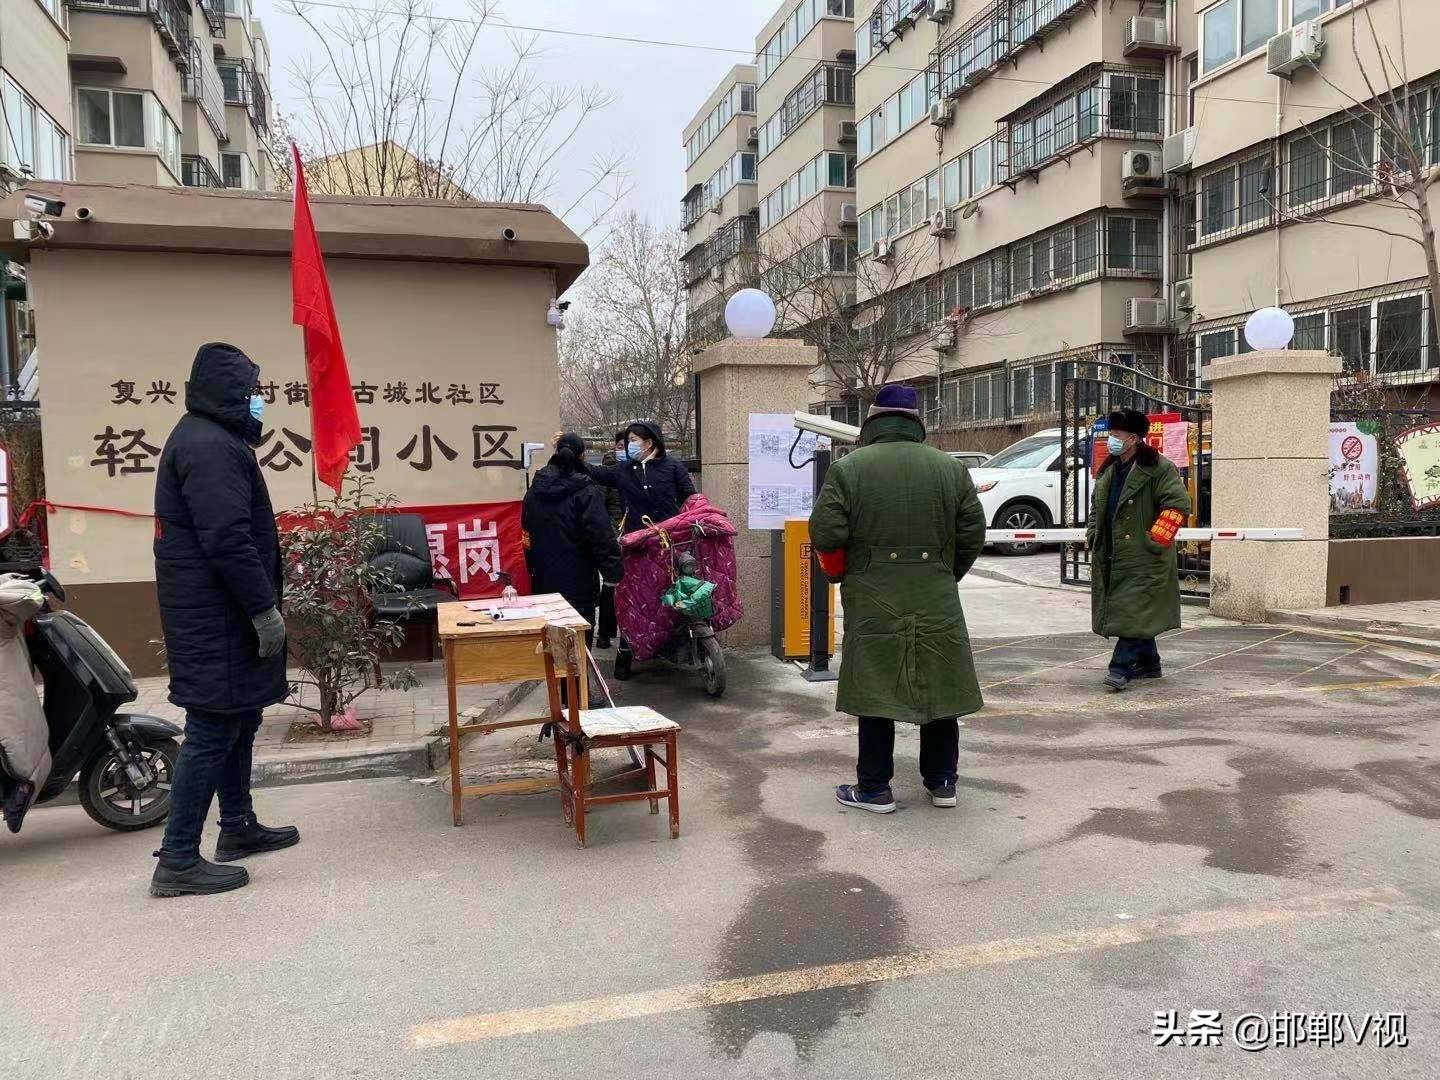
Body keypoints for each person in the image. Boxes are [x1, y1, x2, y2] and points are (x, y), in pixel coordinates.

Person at [150, 343, 298, 898]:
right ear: (231, 393)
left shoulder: (212, 439)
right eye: (253, 391)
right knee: (212, 728)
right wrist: (263, 609)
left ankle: (236, 828)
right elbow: (228, 539)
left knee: (239, 719)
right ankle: (178, 859)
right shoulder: (208, 445)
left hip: (218, 613)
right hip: (218, 617)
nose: (260, 401)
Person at [809, 384, 987, 814]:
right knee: (940, 684)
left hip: (872, 593)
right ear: (915, 422)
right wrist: (944, 573)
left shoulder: (849, 469)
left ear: (872, 420)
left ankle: (874, 788)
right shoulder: (950, 469)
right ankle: (942, 782)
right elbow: (972, 534)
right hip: (935, 591)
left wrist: (841, 574)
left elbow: (826, 532)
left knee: (875, 686)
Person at [1086, 408, 1191, 692]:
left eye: (1117, 435)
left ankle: (1120, 667)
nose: (1112, 439)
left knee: (1134, 608)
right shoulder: (1109, 467)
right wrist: (1094, 533)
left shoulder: (1158, 467)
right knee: (1134, 609)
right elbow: (1097, 508)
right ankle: (1149, 662)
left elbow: (1178, 505)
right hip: (1112, 552)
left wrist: (1155, 540)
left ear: (1133, 438)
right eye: (1111, 434)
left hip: (1144, 555)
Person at [522, 432, 624, 645]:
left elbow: (526, 536)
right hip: (580, 582)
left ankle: (558, 679)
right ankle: (577, 679)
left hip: (544, 580)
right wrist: (613, 574)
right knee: (577, 648)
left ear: (556, 453)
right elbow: (601, 537)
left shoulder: (534, 491)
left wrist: (533, 568)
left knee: (553, 644)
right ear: (582, 456)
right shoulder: (586, 491)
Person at [588, 421, 696, 527]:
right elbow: (595, 472)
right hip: (636, 537)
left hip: (670, 535)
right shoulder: (624, 468)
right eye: (628, 441)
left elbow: (691, 499)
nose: (629, 445)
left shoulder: (673, 466)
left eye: (633, 440)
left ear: (648, 443)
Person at [594, 431, 627, 649]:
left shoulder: (641, 469)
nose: (625, 448)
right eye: (623, 444)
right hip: (614, 533)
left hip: (638, 531)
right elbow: (598, 505)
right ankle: (605, 632)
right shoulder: (607, 471)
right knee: (611, 582)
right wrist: (611, 533)